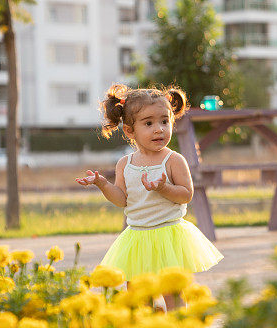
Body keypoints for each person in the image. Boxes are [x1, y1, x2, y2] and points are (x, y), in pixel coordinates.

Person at [76, 84, 223, 310]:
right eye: (148, 123)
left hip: (167, 236)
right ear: (129, 131)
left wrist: (163, 188)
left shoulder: (173, 160)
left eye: (165, 121)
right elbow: (121, 200)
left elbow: (186, 195)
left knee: (171, 293)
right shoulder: (125, 164)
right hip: (137, 238)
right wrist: (102, 184)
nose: (159, 129)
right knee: (137, 295)